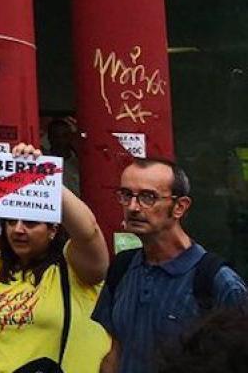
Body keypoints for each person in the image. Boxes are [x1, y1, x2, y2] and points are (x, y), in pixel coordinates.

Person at [0, 142, 112, 373]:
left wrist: (43, 176)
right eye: (11, 221)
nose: (18, 229)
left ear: (53, 229)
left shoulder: (74, 269)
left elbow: (89, 232)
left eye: (30, 222)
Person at [93, 157, 248, 373]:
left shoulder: (217, 281)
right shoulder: (123, 268)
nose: (133, 207)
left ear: (179, 207)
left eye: (148, 197)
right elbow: (116, 351)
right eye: (126, 195)